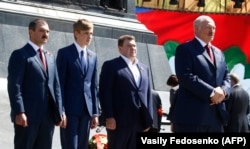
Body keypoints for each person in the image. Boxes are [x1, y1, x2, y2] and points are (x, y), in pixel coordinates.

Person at [7, 18, 66, 149]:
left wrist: (60, 110)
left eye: (48, 31)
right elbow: (14, 86)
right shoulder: (20, 55)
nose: (45, 34)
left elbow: (56, 86)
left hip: (48, 118)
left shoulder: (50, 57)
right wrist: (19, 111)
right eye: (41, 31)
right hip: (27, 116)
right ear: (31, 32)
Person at [172, 15, 231, 132]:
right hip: (192, 117)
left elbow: (227, 76)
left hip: (216, 118)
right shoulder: (185, 49)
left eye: (214, 28)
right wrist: (211, 92)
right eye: (208, 27)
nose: (212, 31)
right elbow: (185, 76)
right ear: (196, 28)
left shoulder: (219, 53)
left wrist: (223, 91)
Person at [99, 35, 153, 149]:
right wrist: (109, 116)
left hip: (139, 121)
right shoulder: (111, 66)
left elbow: (148, 94)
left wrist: (148, 119)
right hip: (118, 121)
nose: (132, 48)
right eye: (128, 45)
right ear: (120, 48)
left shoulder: (144, 68)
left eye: (134, 45)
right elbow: (105, 93)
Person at [56, 18, 99, 149]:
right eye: (86, 33)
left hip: (86, 111)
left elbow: (93, 86)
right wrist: (61, 110)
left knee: (82, 146)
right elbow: (59, 85)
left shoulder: (93, 56)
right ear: (76, 33)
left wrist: (95, 113)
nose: (89, 36)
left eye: (91, 33)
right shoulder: (64, 53)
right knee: (70, 146)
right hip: (69, 111)